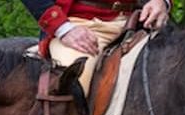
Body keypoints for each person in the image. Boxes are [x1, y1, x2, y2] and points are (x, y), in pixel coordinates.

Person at [21, 0, 171, 94]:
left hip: (140, 22)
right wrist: (63, 28)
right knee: (71, 91)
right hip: (80, 25)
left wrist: (162, 1)